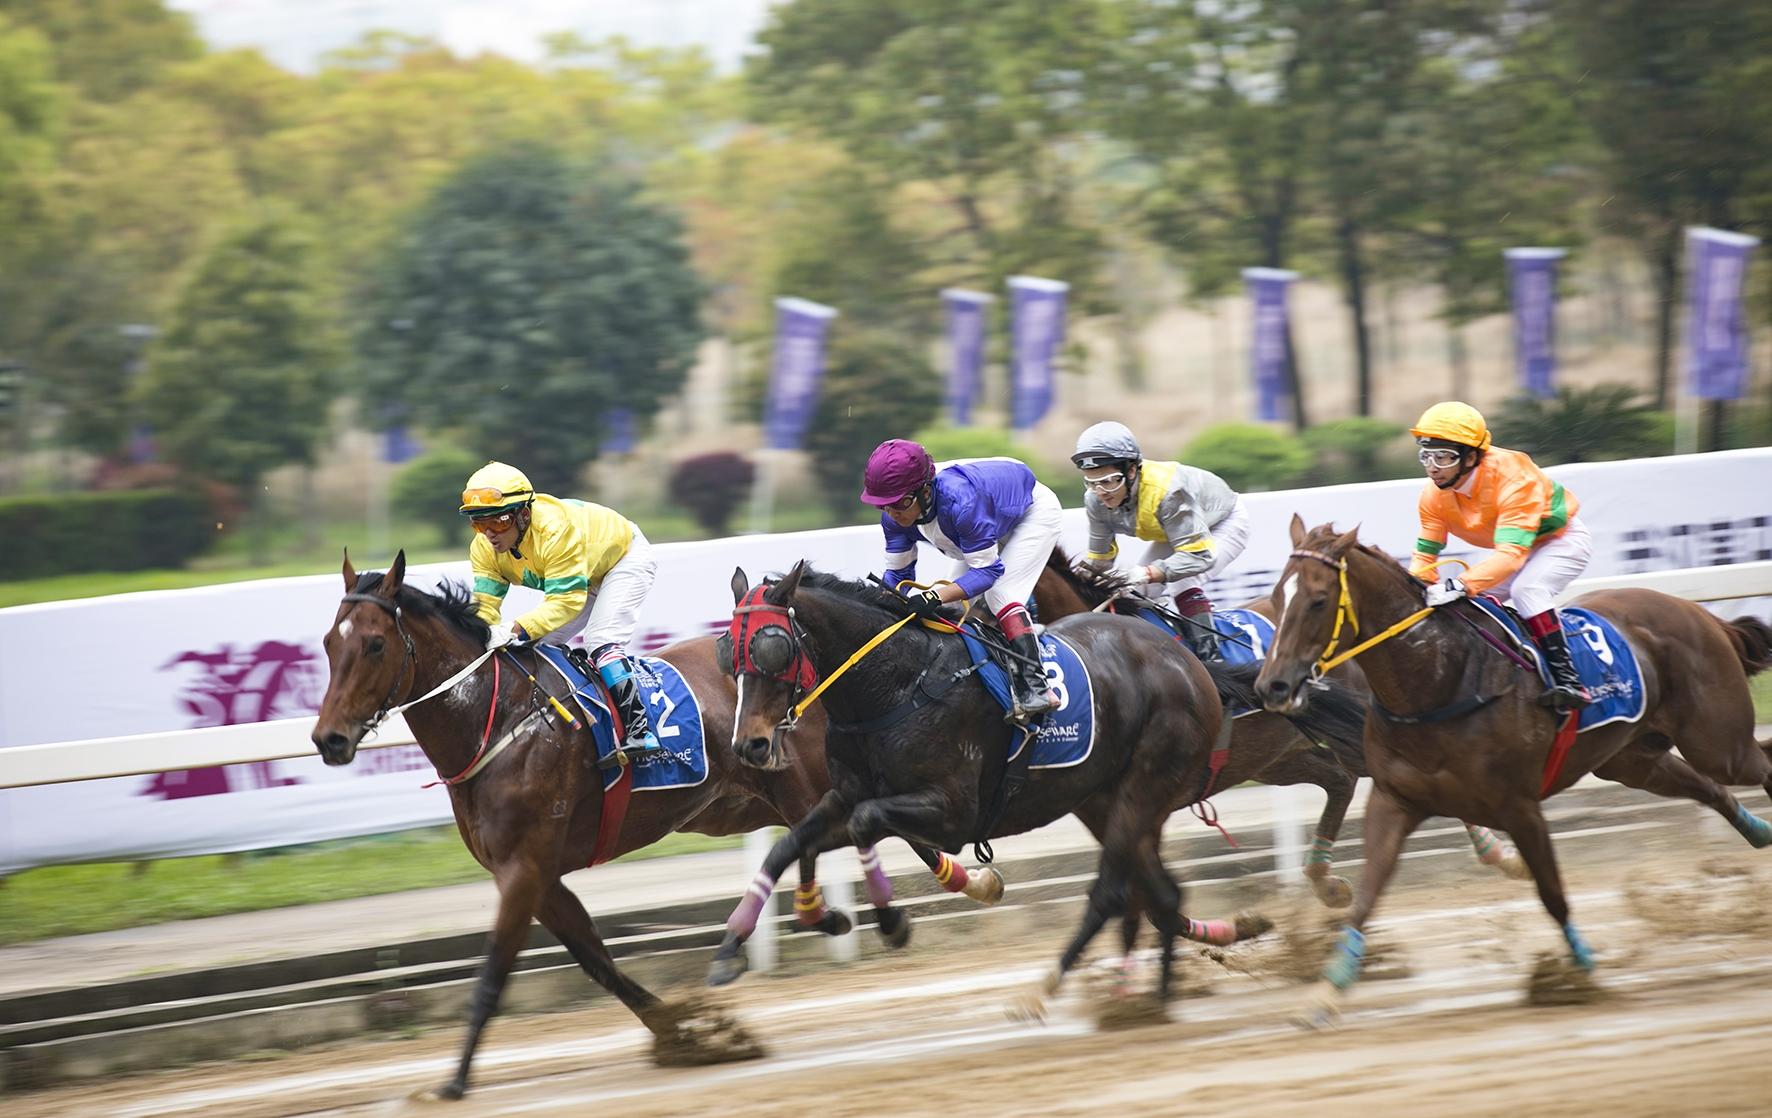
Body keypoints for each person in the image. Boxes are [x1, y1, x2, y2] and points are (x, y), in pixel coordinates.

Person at [459, 461, 662, 758]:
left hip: (623, 560)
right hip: (582, 574)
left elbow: (567, 601)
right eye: (479, 523)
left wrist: (513, 628)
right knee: (535, 649)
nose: (489, 534)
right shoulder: (483, 547)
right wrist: (476, 637)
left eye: (499, 521)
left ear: (524, 515)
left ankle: (641, 731)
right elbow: (486, 607)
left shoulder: (554, 531)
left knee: (600, 641)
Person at [860, 439, 1063, 724]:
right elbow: (898, 577)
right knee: (951, 611)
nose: (893, 513)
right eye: (883, 506)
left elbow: (987, 572)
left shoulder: (960, 503)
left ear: (925, 492)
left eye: (900, 503)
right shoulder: (895, 518)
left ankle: (1037, 686)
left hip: (1030, 513)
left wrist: (933, 596)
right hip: (987, 514)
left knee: (1001, 595)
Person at [1408, 401, 1590, 712]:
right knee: (1469, 607)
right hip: (1515, 549)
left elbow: (1511, 555)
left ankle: (1569, 681)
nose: (1433, 467)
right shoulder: (1432, 495)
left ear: (1471, 457)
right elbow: (1425, 555)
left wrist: (1461, 584)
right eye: (1426, 455)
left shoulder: (1514, 478)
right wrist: (1416, 588)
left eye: (1444, 456)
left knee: (1527, 589)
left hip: (1560, 541)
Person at [1070, 421, 1249, 663]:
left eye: (1109, 481)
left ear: (1131, 471)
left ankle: (1213, 660)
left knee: (1183, 581)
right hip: (1176, 531)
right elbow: (1100, 560)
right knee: (1135, 593)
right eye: (1092, 482)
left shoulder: (1168, 492)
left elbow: (1199, 556)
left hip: (1223, 522)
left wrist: (1148, 572)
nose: (1100, 492)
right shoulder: (1094, 500)